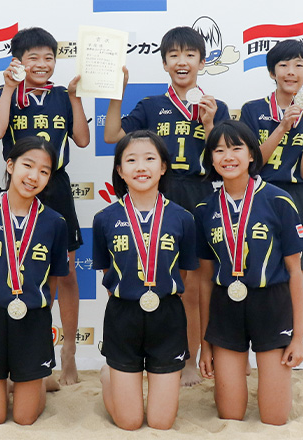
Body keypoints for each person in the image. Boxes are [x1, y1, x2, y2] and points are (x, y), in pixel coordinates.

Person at [104, 26, 229, 387]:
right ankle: (166, 356)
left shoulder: (215, 106)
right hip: (160, 195)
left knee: (197, 285)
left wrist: (209, 124)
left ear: (202, 62)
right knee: (163, 281)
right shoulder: (150, 106)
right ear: (163, 64)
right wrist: (117, 92)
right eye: (173, 55)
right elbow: (112, 136)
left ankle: (194, 357)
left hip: (201, 196)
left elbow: (224, 157)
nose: (181, 61)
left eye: (189, 54)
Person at [0, 27, 89, 385]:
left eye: (49, 57)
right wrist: (9, 88)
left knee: (66, 273)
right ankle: (33, 355)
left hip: (56, 189)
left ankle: (69, 352)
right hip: (19, 190)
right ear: (18, 60)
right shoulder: (5, 93)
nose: (42, 64)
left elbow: (82, 139)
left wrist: (75, 98)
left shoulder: (61, 95)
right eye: (34, 58)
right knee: (24, 273)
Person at [195, 120, 303, 425]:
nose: (228, 156)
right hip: (225, 307)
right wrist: (205, 344)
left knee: (274, 418)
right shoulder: (204, 210)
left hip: (271, 304)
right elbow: (204, 280)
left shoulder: (278, 200)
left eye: (236, 148)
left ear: (251, 155)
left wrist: (298, 338)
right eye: (219, 150)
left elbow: (294, 271)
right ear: (211, 158)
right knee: (230, 414)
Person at [0, 136, 69, 425]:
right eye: (27, 166)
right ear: (10, 165)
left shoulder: (55, 223)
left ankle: (36, 382)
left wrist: (35, 306)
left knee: (24, 418)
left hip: (32, 320)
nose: (34, 176)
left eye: (44, 171)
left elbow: (54, 279)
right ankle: (18, 381)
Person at [93, 130, 198, 430]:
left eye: (150, 159)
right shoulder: (104, 219)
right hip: (122, 316)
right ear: (119, 170)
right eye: (131, 160)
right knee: (129, 422)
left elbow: (183, 273)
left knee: (161, 423)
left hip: (167, 316)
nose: (141, 167)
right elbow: (107, 272)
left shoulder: (183, 218)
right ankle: (109, 375)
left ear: (163, 167)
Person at [239, 39, 303, 273]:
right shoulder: (252, 110)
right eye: (283, 65)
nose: (290, 72)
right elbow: (251, 165)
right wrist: (282, 127)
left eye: (299, 65)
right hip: (257, 193)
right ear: (272, 72)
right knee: (256, 268)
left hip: (297, 197)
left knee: (295, 271)